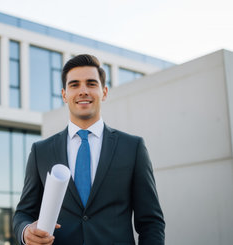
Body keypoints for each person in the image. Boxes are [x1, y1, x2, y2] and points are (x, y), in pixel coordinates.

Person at [13, 54, 165, 245]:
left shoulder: (133, 148)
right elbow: (23, 213)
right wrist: (26, 231)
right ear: (64, 95)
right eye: (74, 85)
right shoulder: (40, 151)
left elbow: (151, 222)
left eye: (91, 84)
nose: (83, 91)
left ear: (104, 92)